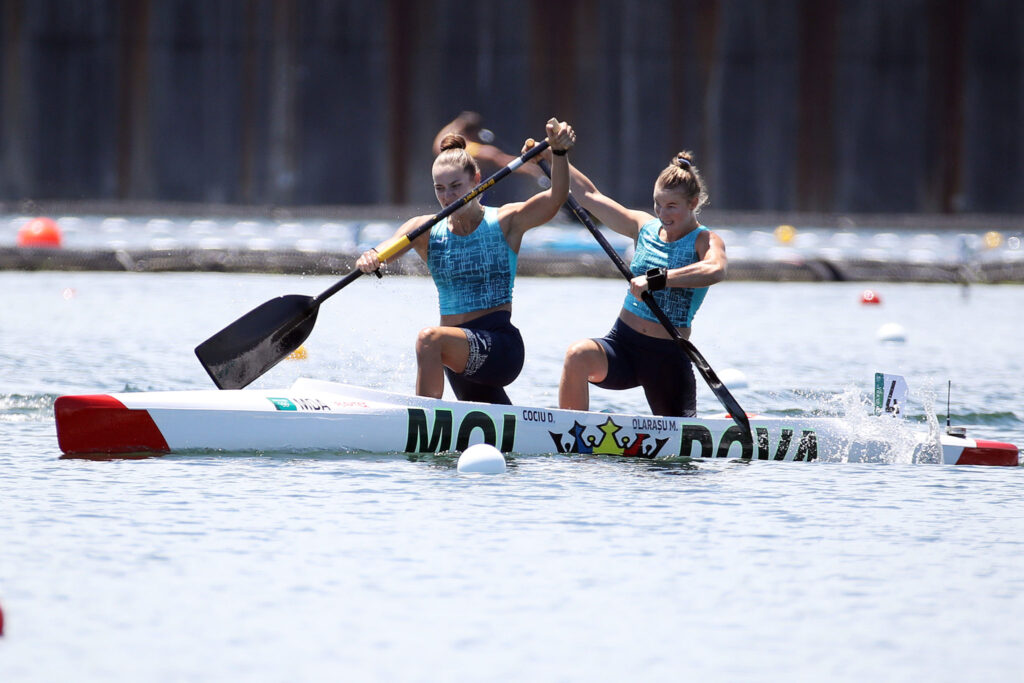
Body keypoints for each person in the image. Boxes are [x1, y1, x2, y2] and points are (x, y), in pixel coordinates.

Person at [356, 117, 576, 404]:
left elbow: (556, 196)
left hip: (500, 348)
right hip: (458, 356)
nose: (448, 197)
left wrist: (559, 153)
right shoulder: (424, 229)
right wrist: (372, 256)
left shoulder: (506, 221)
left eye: (455, 186)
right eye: (439, 188)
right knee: (491, 426)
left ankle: (423, 418)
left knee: (428, 339)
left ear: (476, 180)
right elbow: (386, 248)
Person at [558, 151, 727, 417]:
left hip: (667, 357)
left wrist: (658, 279)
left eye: (671, 206)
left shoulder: (705, 240)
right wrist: (555, 155)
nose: (662, 213)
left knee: (681, 439)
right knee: (577, 355)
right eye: (658, 204)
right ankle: (569, 430)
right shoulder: (644, 227)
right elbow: (589, 195)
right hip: (622, 345)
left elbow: (715, 269)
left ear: (693, 203)